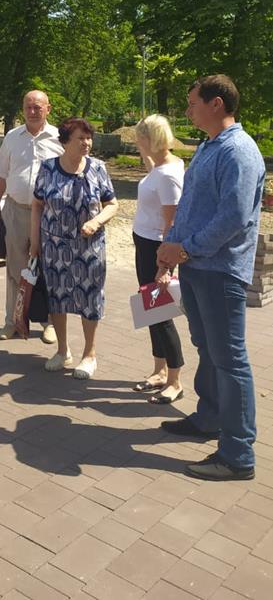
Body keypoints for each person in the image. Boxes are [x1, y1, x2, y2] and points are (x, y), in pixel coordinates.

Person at [157, 75, 265, 481]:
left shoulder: (239, 151)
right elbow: (190, 207)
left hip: (220, 271)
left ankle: (238, 455)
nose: (188, 111)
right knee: (208, 348)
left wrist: (183, 249)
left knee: (230, 360)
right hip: (197, 266)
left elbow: (233, 218)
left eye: (192, 103)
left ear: (216, 104)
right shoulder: (209, 147)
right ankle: (210, 418)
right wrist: (171, 249)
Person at [30, 118, 118, 379]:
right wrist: (34, 243)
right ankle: (62, 350)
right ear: (65, 141)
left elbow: (112, 204)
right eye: (80, 138)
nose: (86, 143)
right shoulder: (48, 168)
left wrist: (96, 221)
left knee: (90, 299)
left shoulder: (97, 168)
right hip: (54, 247)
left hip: (89, 249)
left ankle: (89, 354)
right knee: (57, 298)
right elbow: (37, 205)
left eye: (89, 138)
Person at [0, 90, 63, 342]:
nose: (32, 112)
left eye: (37, 107)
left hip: (49, 214)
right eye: (28, 107)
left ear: (48, 109)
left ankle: (50, 323)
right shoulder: (12, 137)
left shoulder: (59, 138)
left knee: (49, 268)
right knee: (15, 268)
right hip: (16, 210)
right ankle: (12, 321)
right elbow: (1, 174)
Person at [132, 115, 185, 404]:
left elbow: (171, 224)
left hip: (156, 249)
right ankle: (159, 370)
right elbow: (152, 173)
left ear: (149, 139)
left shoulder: (168, 175)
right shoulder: (162, 166)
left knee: (161, 315)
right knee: (150, 311)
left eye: (139, 138)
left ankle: (175, 380)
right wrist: (146, 154)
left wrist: (165, 267)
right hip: (145, 245)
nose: (136, 143)